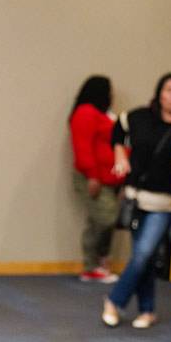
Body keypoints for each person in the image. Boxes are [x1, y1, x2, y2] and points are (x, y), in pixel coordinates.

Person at [104, 73, 171, 328]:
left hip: (165, 202)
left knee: (143, 253)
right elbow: (118, 132)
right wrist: (120, 156)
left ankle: (114, 300)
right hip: (135, 197)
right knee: (143, 256)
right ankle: (147, 310)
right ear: (159, 93)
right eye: (169, 90)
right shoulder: (140, 117)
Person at [69, 75, 124, 283]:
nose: (112, 94)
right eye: (109, 89)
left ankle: (99, 262)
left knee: (102, 220)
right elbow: (82, 146)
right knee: (104, 219)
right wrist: (92, 175)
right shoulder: (85, 113)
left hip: (112, 179)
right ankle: (92, 264)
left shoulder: (107, 115)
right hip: (93, 178)